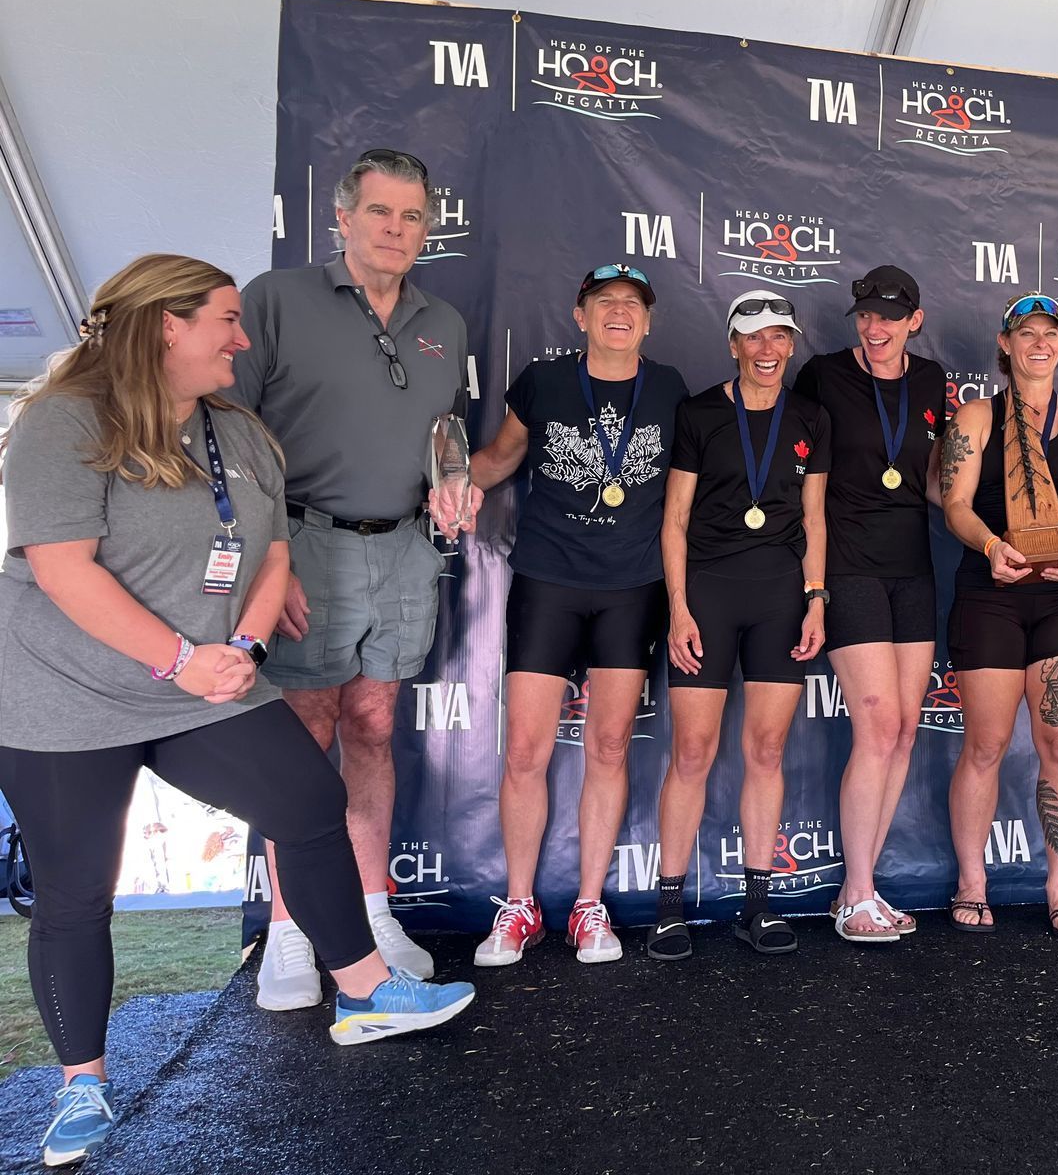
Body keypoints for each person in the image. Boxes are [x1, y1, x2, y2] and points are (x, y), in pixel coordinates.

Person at [0, 257, 475, 1165]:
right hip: (66, 695)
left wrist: (244, 653)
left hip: (208, 682)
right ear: (164, 327)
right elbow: (64, 568)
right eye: (225, 319)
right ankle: (83, 1087)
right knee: (72, 895)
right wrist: (181, 660)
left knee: (305, 804)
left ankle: (366, 992)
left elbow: (271, 555)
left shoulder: (239, 432)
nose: (243, 338)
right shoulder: (62, 421)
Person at [231, 148, 480, 1009]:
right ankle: (295, 932)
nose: (396, 230)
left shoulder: (441, 319)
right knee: (306, 732)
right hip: (303, 544)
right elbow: (230, 438)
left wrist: (454, 481)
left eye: (412, 217)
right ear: (341, 218)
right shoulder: (275, 300)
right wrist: (269, 562)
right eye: (380, 213)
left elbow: (444, 434)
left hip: (406, 547)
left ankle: (371, 914)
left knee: (373, 724)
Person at [464, 264, 687, 965]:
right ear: (579, 315)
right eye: (604, 302)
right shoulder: (545, 380)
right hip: (548, 580)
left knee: (610, 747)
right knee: (526, 750)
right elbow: (498, 459)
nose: (618, 312)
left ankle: (590, 906)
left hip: (631, 587)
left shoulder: (673, 389)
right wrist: (439, 483)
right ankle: (520, 905)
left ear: (647, 322)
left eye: (631, 304)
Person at [650, 290, 830, 959]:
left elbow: (814, 519)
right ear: (732, 345)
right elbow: (674, 520)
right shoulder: (699, 413)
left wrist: (816, 598)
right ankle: (668, 907)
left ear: (790, 344)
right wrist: (679, 607)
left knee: (766, 752)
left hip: (781, 597)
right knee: (692, 753)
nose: (766, 349)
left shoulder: (810, 416)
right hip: (709, 595)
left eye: (778, 336)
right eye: (752, 337)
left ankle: (758, 903)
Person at [940, 292, 1058, 939]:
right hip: (992, 589)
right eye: (1025, 333)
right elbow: (954, 502)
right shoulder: (976, 416)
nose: (1038, 343)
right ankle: (972, 881)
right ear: (1004, 344)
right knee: (984, 745)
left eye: (1049, 333)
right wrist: (990, 546)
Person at [793, 265, 946, 942]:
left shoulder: (931, 380)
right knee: (878, 726)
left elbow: (938, 478)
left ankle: (863, 888)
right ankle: (855, 894)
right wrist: (810, 585)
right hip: (848, 564)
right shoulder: (821, 376)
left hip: (912, 566)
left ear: (914, 319)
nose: (875, 327)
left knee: (906, 730)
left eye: (889, 315)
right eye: (865, 314)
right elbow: (795, 481)